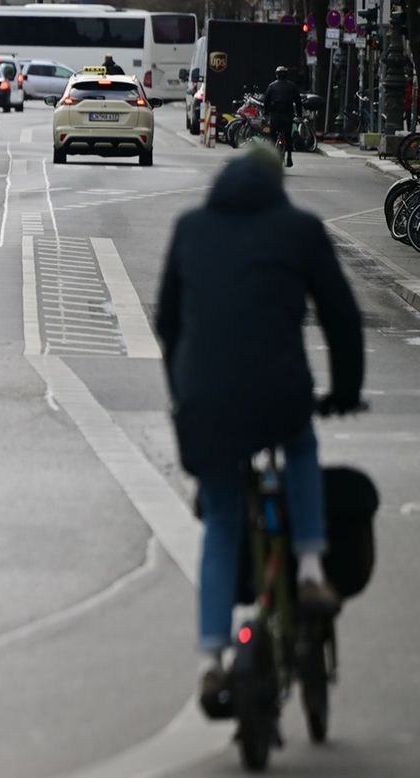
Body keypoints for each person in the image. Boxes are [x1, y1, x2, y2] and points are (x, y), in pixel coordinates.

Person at [156, 146, 364, 709]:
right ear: (279, 186)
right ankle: (312, 570)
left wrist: (184, 396)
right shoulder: (299, 229)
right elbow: (341, 315)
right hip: (279, 395)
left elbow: (167, 322)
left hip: (204, 403)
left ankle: (211, 660)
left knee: (222, 520)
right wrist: (345, 392)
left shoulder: (191, 227)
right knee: (299, 445)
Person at [261, 64, 303, 167]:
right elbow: (298, 102)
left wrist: (266, 114)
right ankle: (289, 157)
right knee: (288, 136)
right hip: (288, 115)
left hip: (275, 115)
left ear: (277, 75)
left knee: (273, 136)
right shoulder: (292, 86)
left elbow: (266, 101)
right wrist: (299, 115)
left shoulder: (272, 86)